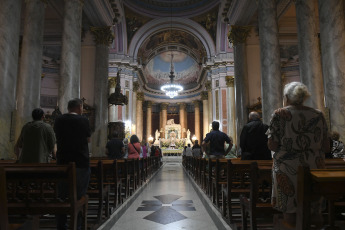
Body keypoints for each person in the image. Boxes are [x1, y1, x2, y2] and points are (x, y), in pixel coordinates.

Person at [267, 82, 330, 229]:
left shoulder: (280, 114)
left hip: (288, 169)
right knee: (314, 210)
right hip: (314, 167)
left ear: (287, 97)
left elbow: (273, 145)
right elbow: (326, 146)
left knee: (290, 209)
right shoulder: (318, 114)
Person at [54, 98, 92, 230]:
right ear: (79, 107)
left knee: (62, 196)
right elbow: (88, 139)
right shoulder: (83, 120)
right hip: (80, 162)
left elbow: (56, 137)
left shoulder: (59, 119)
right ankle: (77, 225)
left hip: (63, 162)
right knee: (79, 195)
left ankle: (61, 226)